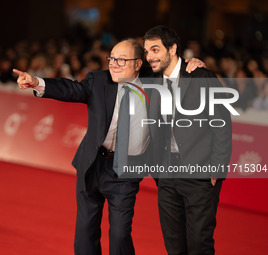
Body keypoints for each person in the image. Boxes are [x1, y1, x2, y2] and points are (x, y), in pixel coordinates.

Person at [14, 38, 204, 255]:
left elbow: (180, 76)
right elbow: (70, 89)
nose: (113, 64)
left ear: (138, 64)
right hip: (93, 164)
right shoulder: (99, 80)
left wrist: (194, 66)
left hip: (127, 170)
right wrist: (37, 82)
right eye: (111, 58)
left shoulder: (156, 83)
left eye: (121, 60)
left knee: (120, 234)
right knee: (86, 230)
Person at [143, 26, 232, 255]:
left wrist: (216, 169)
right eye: (147, 51)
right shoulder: (153, 80)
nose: (150, 56)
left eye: (155, 49)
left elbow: (222, 124)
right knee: (174, 246)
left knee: (199, 245)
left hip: (199, 174)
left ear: (172, 48)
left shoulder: (201, 76)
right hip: (166, 174)